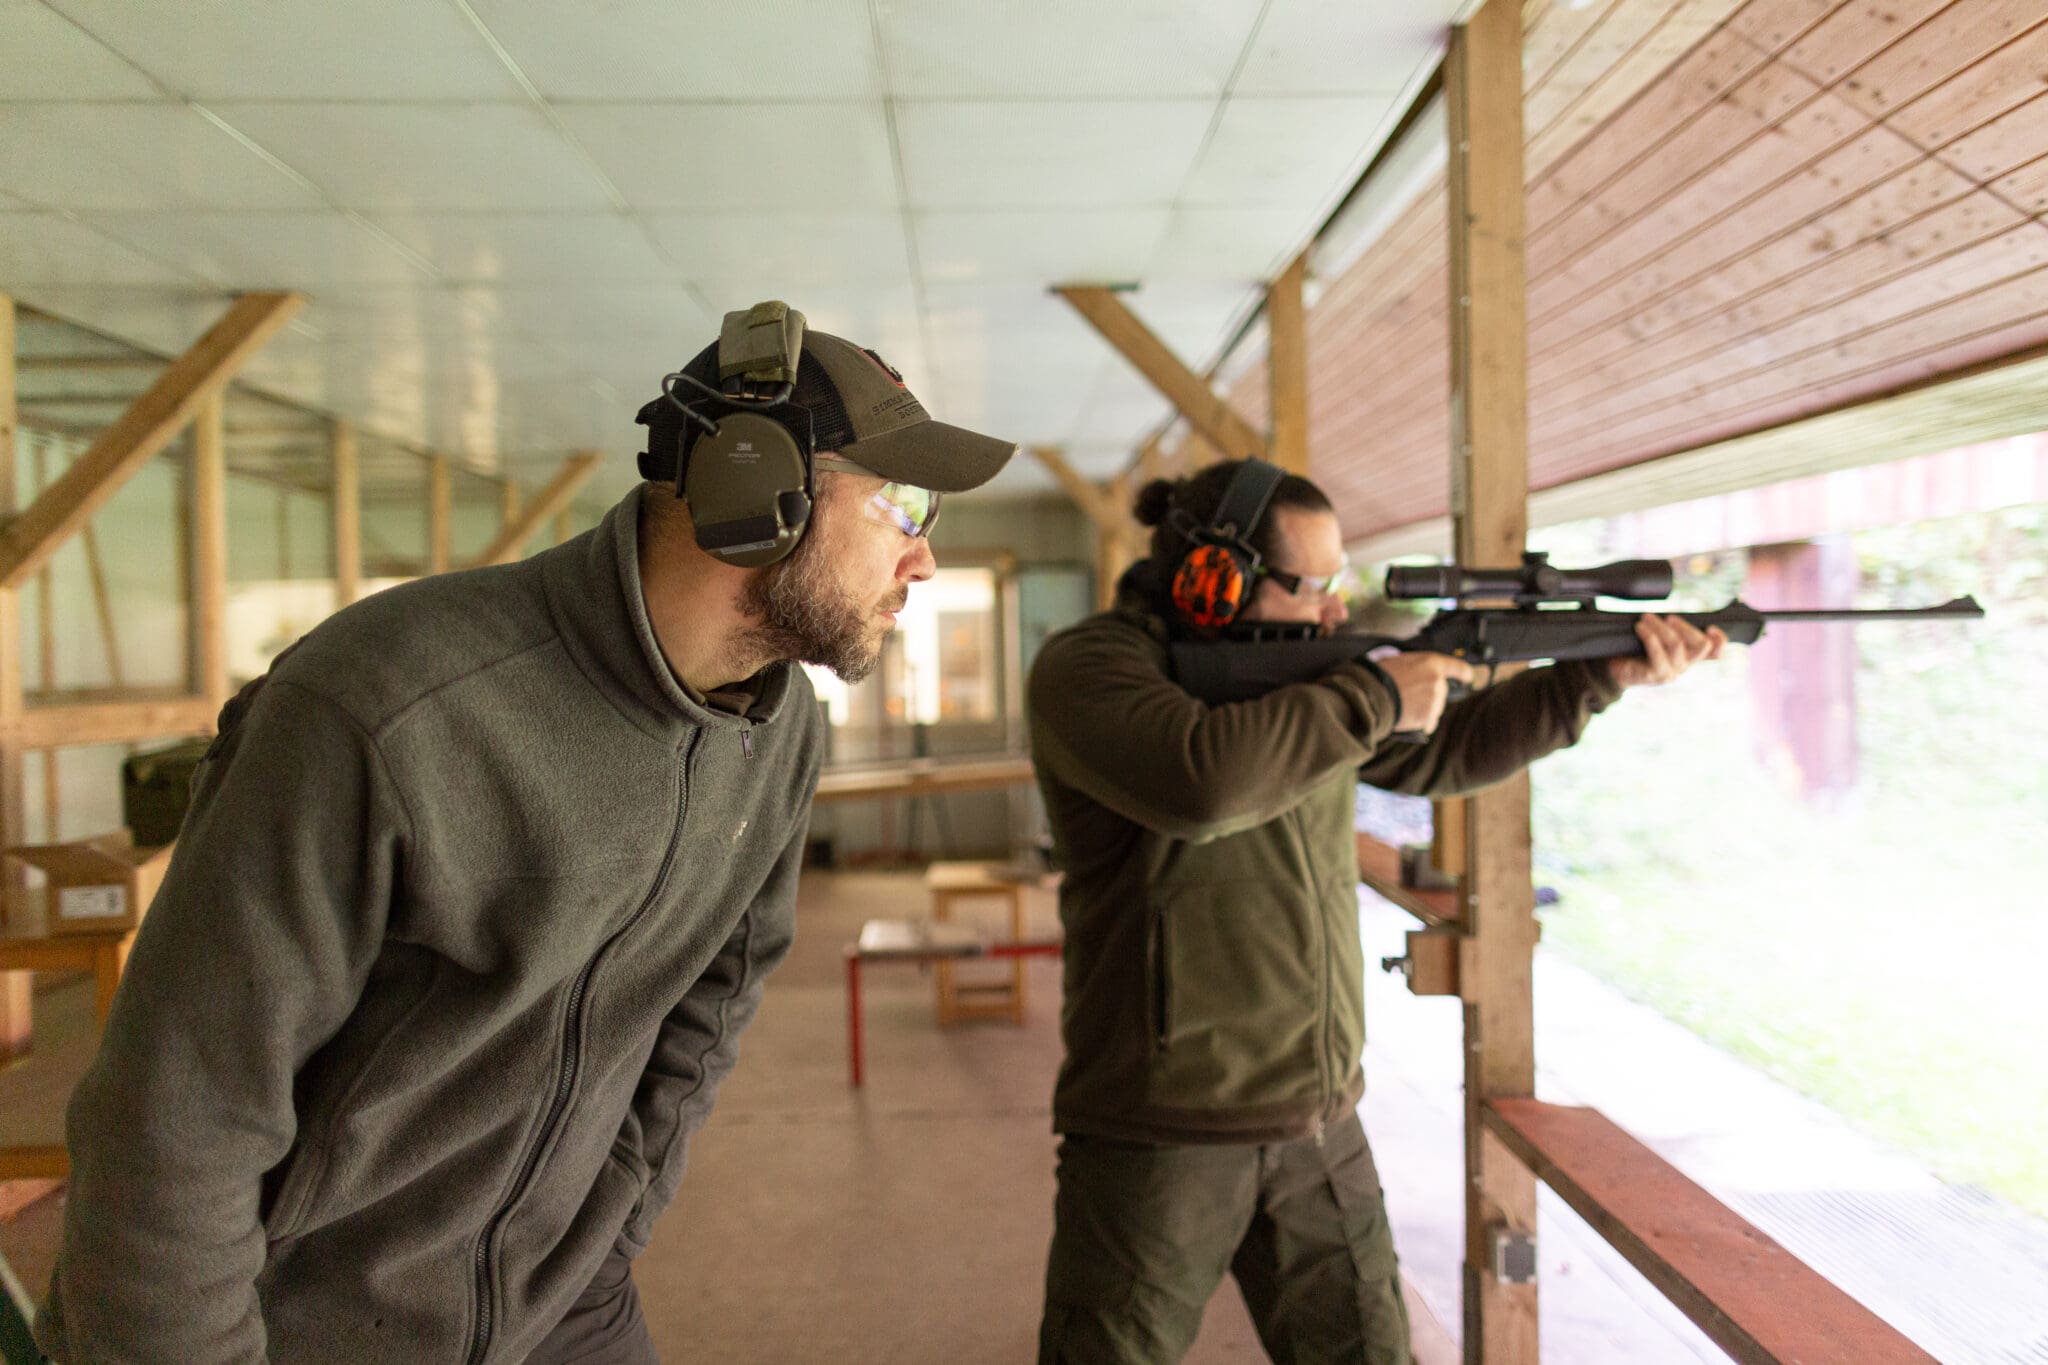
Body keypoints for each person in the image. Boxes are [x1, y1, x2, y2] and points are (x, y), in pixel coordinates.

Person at [34, 305, 1014, 1363]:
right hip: (313, 1332)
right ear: (755, 492)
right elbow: (175, 1123)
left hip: (564, 1305)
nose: (922, 560)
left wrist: (608, 1230)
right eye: (903, 506)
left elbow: (712, 1001)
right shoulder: (386, 708)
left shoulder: (779, 732)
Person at [1027, 457, 1722, 1364]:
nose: (1332, 612)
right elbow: (1201, 778)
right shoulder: (1092, 668)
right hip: (1160, 1130)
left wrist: (1590, 679)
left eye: (1337, 583)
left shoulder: (1306, 685)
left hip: (1319, 1122)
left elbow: (1441, 753)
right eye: (1312, 585)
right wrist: (1378, 692)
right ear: (1214, 576)